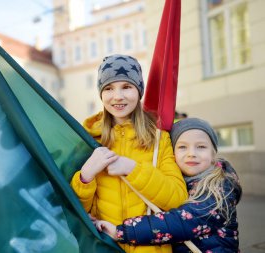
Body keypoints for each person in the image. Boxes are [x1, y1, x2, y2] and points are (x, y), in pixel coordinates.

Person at [70, 54, 188, 253]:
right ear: (101, 94)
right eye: (108, 88)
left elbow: (178, 199)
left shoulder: (159, 139)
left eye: (126, 86)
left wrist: (133, 169)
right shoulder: (88, 140)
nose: (117, 96)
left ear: (138, 90)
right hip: (106, 247)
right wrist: (84, 178)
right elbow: (78, 211)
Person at [95, 118, 242, 252]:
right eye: (182, 147)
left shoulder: (220, 186)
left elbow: (182, 221)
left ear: (213, 153)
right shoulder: (176, 183)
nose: (191, 153)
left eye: (201, 147)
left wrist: (121, 232)